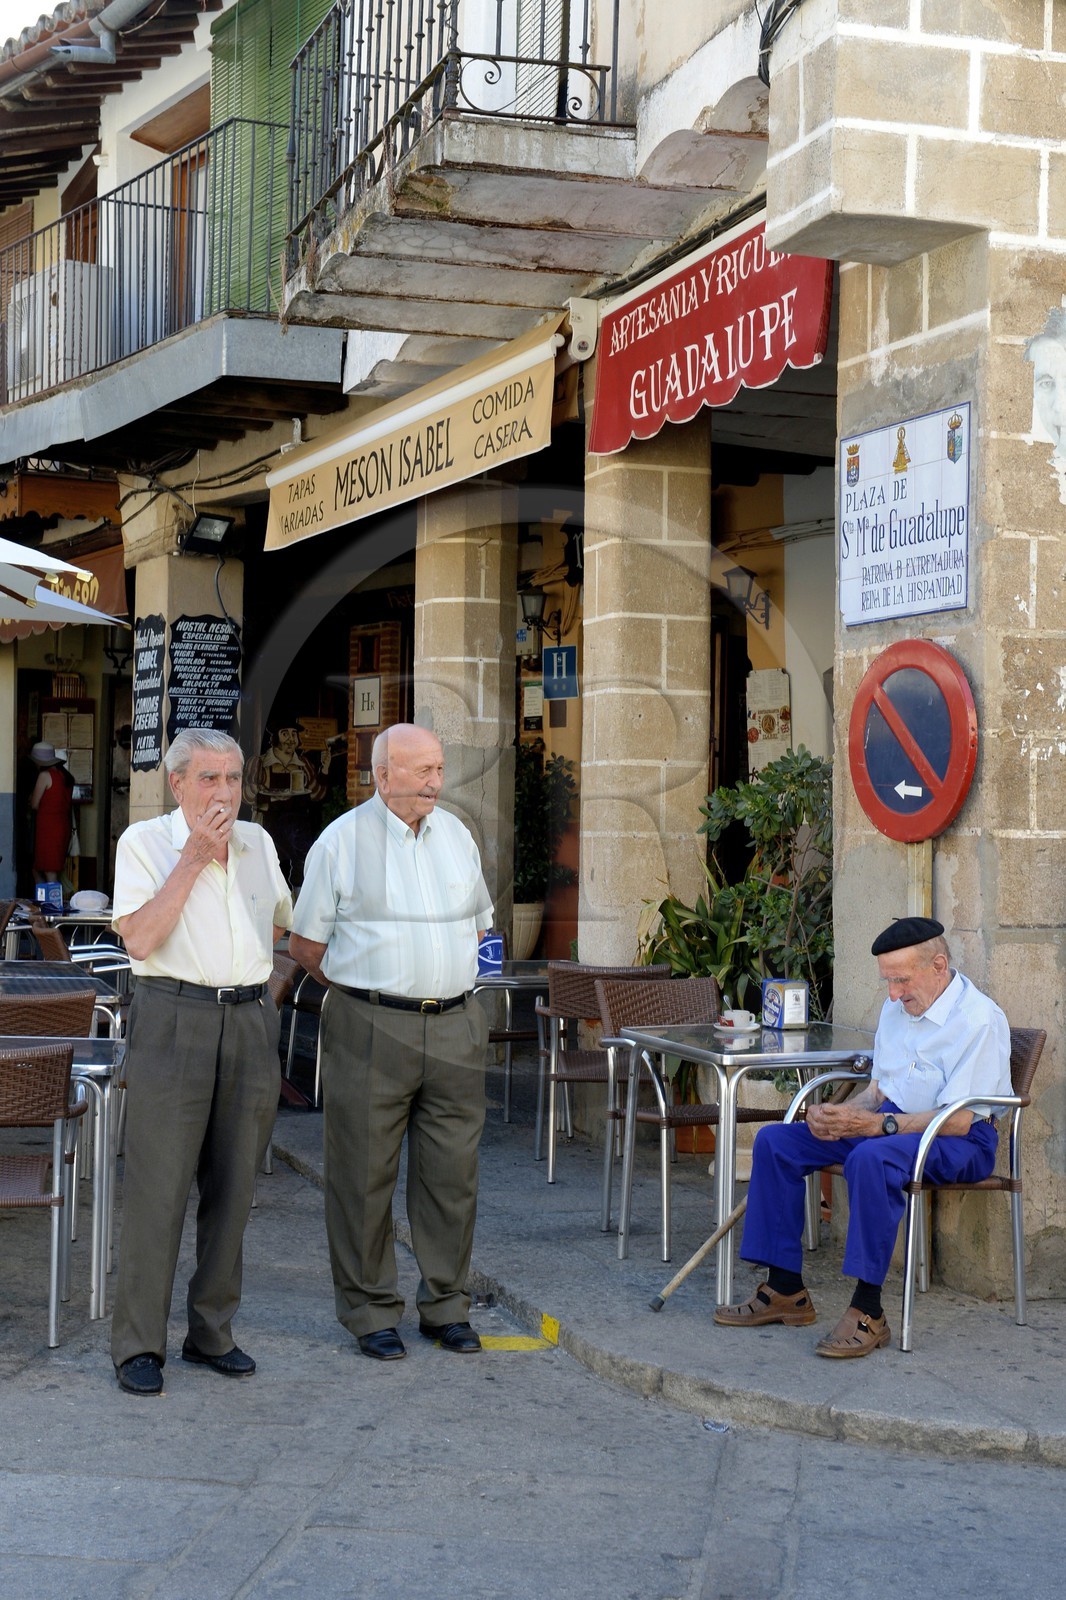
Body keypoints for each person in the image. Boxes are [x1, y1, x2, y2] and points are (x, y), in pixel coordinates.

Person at [715, 917, 1011, 1358]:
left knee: (871, 1158)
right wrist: (840, 1115)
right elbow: (879, 1093)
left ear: (938, 964)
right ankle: (785, 1291)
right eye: (888, 981)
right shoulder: (898, 1008)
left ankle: (869, 1310)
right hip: (894, 1126)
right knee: (777, 1141)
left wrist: (876, 1126)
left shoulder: (979, 1020)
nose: (892, 994)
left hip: (959, 1139)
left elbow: (959, 1120)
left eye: (901, 980)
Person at [289, 723, 492, 1361]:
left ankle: (446, 1307)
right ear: (383, 775)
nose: (437, 781)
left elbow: (481, 925)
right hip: (372, 1024)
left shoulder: (457, 835)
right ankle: (370, 1309)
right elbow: (305, 947)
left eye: (439, 768)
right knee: (362, 1173)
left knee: (452, 1175)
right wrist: (367, 989)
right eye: (423, 770)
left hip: (457, 1022)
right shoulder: (341, 842)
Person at [109, 728, 293, 1396]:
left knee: (236, 1185)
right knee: (159, 1187)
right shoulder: (144, 843)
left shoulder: (259, 844)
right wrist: (192, 859)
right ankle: (137, 1346)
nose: (223, 793)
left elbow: (275, 927)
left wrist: (258, 993)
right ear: (177, 782)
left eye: (234, 779)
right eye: (209, 779)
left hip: (247, 1017)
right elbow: (141, 938)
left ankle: (212, 1334)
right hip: (172, 1014)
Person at [28, 740, 75, 882]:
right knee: (48, 868)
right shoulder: (64, 776)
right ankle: (46, 901)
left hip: (48, 828)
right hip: (61, 825)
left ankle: (51, 903)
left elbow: (34, 804)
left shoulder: (44, 776)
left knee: (47, 870)